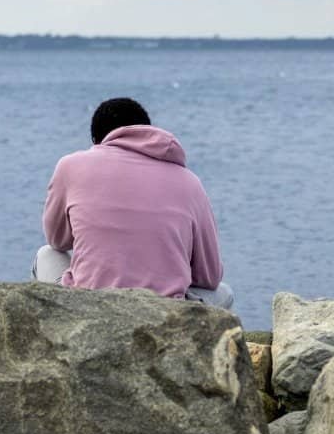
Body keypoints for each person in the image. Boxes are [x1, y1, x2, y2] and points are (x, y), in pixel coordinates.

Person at [32, 97, 233, 309]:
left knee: (46, 254)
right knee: (224, 293)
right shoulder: (190, 182)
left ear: (96, 139)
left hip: (87, 308)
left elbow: (57, 241)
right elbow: (209, 277)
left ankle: (53, 336)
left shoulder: (70, 166)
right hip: (165, 315)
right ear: (148, 134)